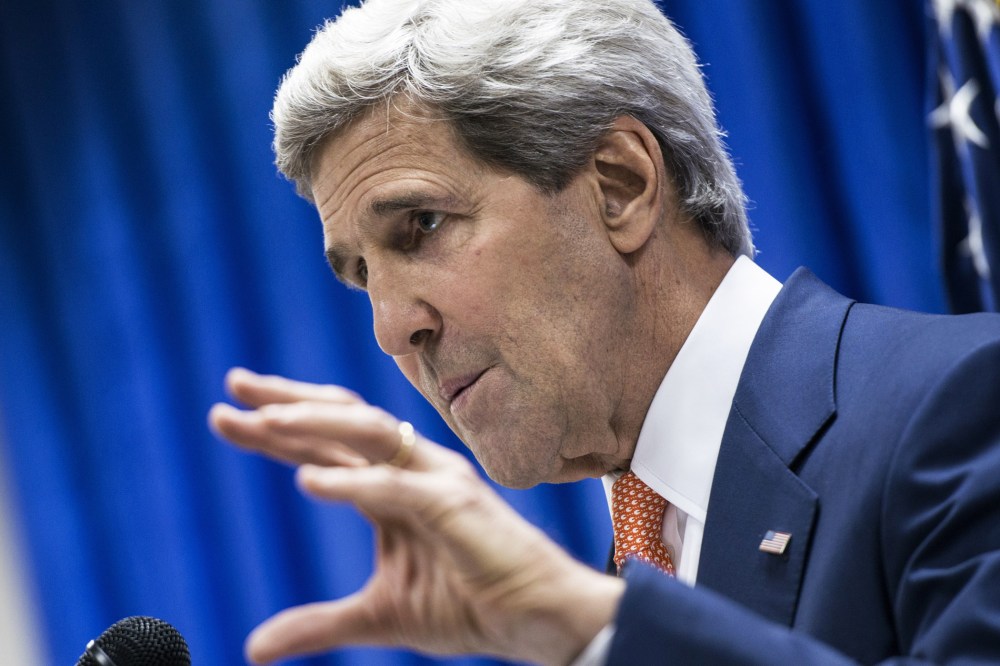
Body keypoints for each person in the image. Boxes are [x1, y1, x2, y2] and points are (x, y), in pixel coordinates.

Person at [208, 0, 1000, 663]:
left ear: (621, 185)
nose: (390, 329)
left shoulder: (965, 402)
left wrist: (598, 629)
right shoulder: (617, 576)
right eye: (360, 276)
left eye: (422, 226)